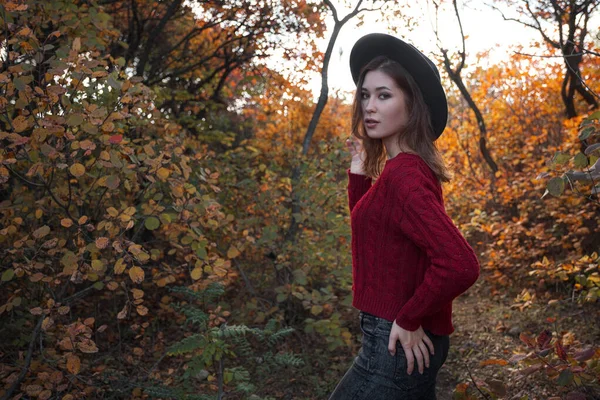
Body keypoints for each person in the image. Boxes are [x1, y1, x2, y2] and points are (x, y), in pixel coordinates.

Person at [328, 33, 480, 400]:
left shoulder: (405, 176)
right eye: (365, 95)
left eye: (384, 95)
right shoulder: (401, 171)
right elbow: (373, 237)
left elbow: (460, 264)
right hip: (392, 341)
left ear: (412, 105)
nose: (369, 107)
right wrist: (360, 171)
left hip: (396, 344)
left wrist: (411, 316)